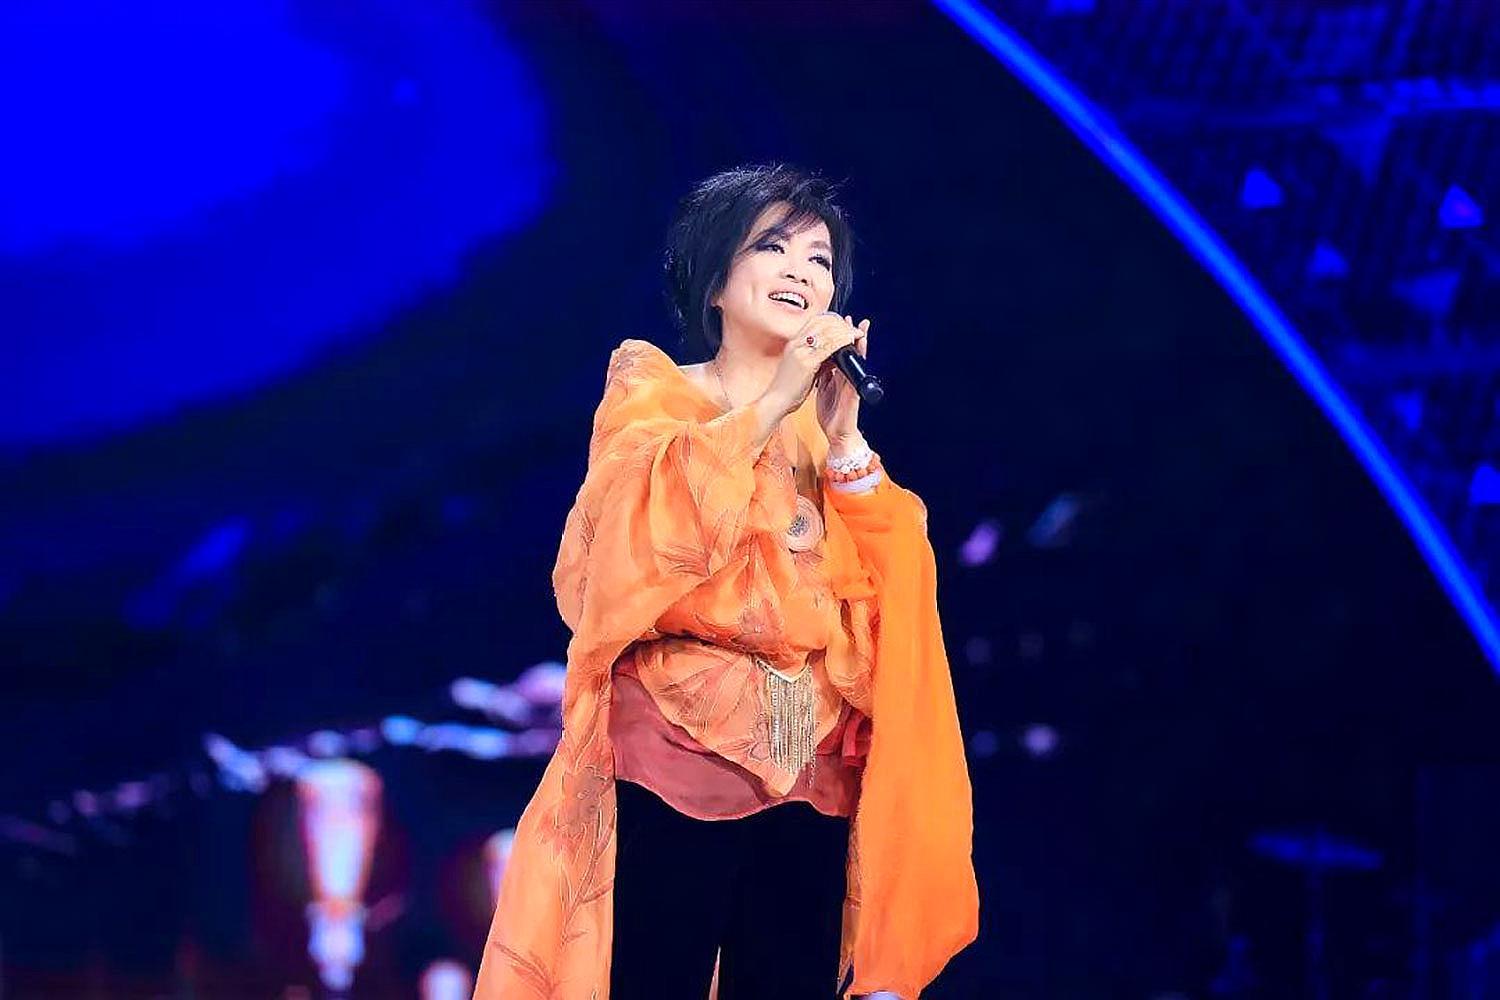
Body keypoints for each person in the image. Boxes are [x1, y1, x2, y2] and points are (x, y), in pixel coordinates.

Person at [473, 164, 977, 1000]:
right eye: (772, 247)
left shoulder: (827, 432)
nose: (800, 272)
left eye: (819, 260)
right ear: (714, 280)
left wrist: (845, 442)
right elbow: (626, 552)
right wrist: (773, 402)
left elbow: (893, 581)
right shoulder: (655, 394)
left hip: (812, 757)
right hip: (675, 747)